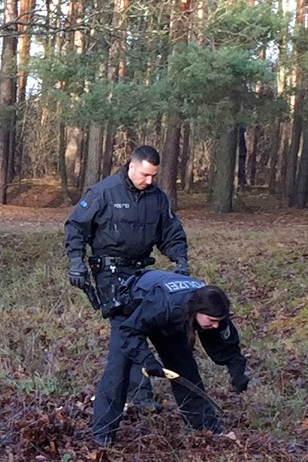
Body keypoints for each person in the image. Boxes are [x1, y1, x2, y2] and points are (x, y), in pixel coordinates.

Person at [65, 145, 189, 410]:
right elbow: (76, 226)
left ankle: (135, 389)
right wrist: (76, 262)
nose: (149, 181)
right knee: (126, 325)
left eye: (153, 176)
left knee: (147, 323)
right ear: (131, 166)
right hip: (110, 272)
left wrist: (181, 261)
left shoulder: (157, 198)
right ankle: (133, 394)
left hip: (142, 271)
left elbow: (170, 232)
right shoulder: (103, 192)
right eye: (145, 174)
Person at [91, 269, 249, 445]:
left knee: (185, 372)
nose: (216, 325)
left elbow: (225, 343)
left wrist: (237, 370)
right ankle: (103, 435)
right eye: (211, 321)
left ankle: (205, 429)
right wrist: (147, 360)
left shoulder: (214, 307)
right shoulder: (164, 304)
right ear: (197, 311)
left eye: (219, 320)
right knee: (118, 372)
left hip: (169, 319)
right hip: (131, 312)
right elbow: (130, 331)